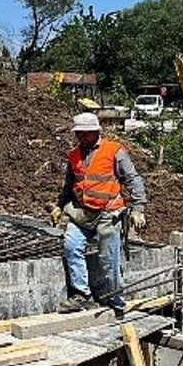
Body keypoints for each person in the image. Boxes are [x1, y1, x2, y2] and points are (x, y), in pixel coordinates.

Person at [50, 112, 147, 314]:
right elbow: (69, 185)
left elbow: (134, 180)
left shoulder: (114, 151)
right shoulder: (74, 155)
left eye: (87, 133)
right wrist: (60, 206)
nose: (82, 137)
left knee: (108, 260)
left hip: (108, 214)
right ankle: (82, 295)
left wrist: (138, 209)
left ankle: (116, 301)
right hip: (82, 213)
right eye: (79, 134)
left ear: (96, 131)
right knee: (72, 245)